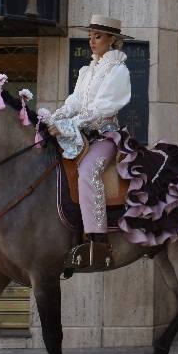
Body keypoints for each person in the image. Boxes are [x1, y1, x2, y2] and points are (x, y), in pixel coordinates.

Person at [48, 15, 131, 268]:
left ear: (112, 40)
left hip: (105, 136)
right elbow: (74, 101)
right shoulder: (87, 70)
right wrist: (54, 117)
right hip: (81, 136)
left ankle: (97, 239)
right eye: (90, 36)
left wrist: (70, 124)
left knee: (88, 171)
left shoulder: (119, 70)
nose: (92, 41)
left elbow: (102, 108)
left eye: (97, 36)